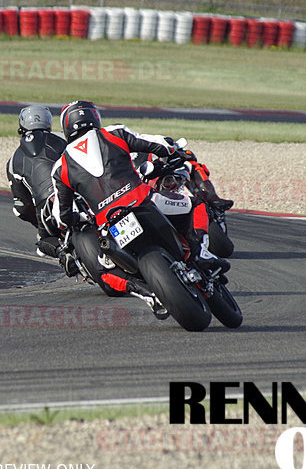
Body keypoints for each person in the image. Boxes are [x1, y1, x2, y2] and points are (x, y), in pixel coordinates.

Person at [50, 101, 230, 315]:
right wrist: (172, 149)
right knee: (197, 205)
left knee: (105, 272)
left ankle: (147, 294)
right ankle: (201, 251)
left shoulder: (60, 167)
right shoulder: (113, 132)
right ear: (94, 118)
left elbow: (61, 215)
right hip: (144, 202)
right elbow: (158, 144)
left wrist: (75, 220)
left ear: (66, 127)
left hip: (110, 225)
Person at [6, 105, 79, 275]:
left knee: (43, 242)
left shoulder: (12, 162)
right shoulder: (62, 138)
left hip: (47, 208)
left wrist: (37, 222)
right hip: (76, 190)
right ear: (48, 122)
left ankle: (62, 253)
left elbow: (21, 208)